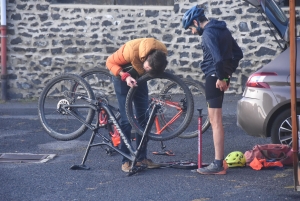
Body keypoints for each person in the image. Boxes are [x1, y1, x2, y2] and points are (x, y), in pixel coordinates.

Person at [182, 5, 244, 175]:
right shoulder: (222, 29)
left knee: (215, 122)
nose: (192, 32)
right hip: (219, 77)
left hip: (213, 78)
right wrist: (227, 75)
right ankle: (219, 161)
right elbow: (238, 54)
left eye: (190, 28)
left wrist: (221, 77)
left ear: (196, 22)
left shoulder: (208, 33)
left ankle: (218, 164)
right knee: (216, 121)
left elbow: (217, 58)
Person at [106, 38, 168, 172]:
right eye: (147, 69)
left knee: (143, 118)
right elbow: (109, 62)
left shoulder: (160, 53)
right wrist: (125, 76)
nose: (147, 70)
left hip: (139, 78)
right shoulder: (129, 51)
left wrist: (148, 73)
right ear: (146, 58)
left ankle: (141, 158)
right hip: (122, 78)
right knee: (127, 120)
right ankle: (126, 160)